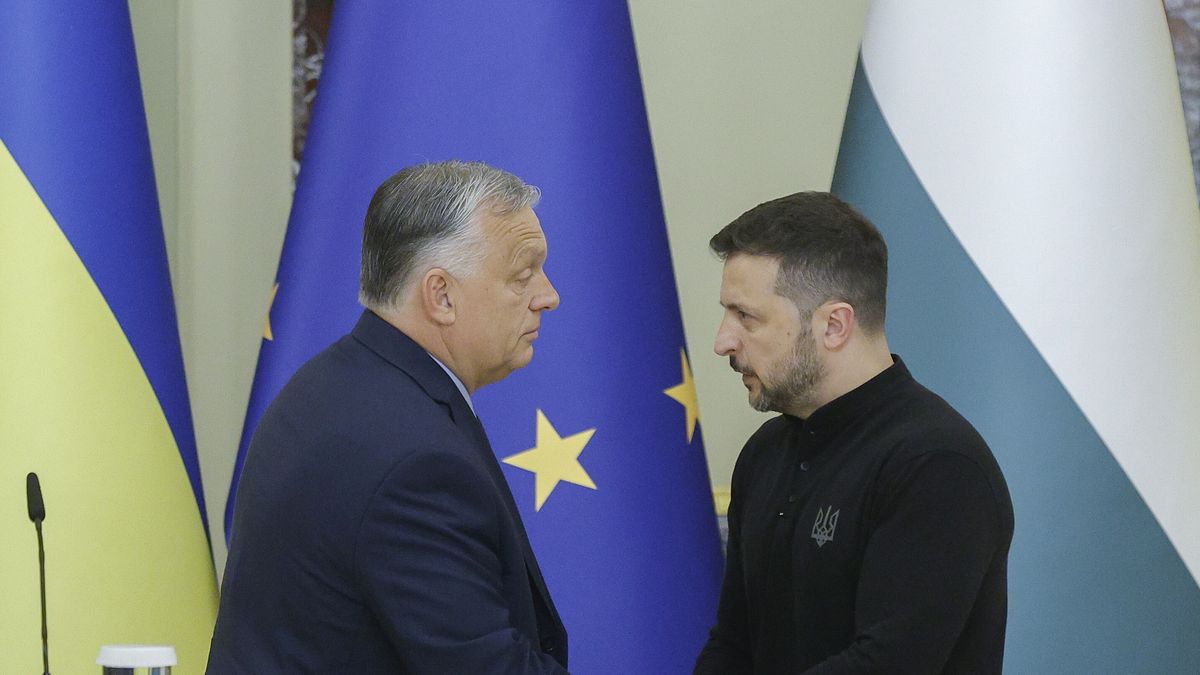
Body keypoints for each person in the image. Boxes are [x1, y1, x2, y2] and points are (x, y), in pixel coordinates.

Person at [207, 161, 568, 673]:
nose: (548, 296)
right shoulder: (415, 463)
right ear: (441, 295)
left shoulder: (331, 385)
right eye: (522, 274)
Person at [694, 192, 1014, 674]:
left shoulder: (938, 465)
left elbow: (888, 664)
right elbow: (734, 646)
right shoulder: (764, 454)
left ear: (834, 325)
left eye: (747, 317)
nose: (723, 342)